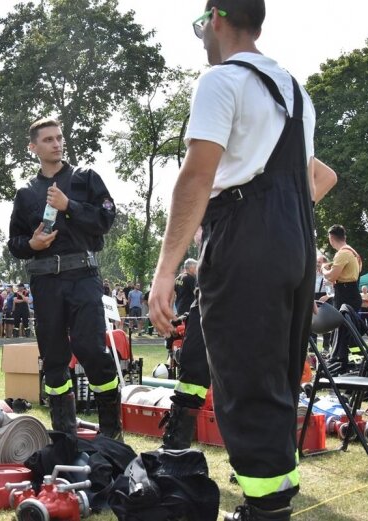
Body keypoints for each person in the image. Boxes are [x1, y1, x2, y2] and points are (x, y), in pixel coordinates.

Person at [148, 2, 325, 518]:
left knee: (244, 383)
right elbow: (311, 175)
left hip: (244, 233)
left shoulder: (221, 80)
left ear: (217, 19)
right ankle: (273, 500)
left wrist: (165, 271)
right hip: (295, 238)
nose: (202, 33)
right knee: (276, 378)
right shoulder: (296, 90)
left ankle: (265, 509)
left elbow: (197, 176)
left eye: (202, 23)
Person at [8, 117, 121, 440]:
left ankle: (111, 433)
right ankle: (64, 435)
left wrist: (69, 205)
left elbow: (105, 218)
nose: (57, 143)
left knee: (91, 348)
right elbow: (14, 243)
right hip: (45, 282)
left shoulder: (85, 178)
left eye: (59, 137)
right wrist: (31, 244)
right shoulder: (26, 193)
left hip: (82, 275)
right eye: (48, 140)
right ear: (33, 148)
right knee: (54, 357)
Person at [322, 224, 363, 372]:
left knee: (342, 329)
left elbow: (332, 276)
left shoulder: (342, 253)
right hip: (350, 292)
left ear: (331, 238)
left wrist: (323, 269)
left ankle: (340, 362)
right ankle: (350, 361)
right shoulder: (353, 252)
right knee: (349, 331)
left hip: (345, 293)